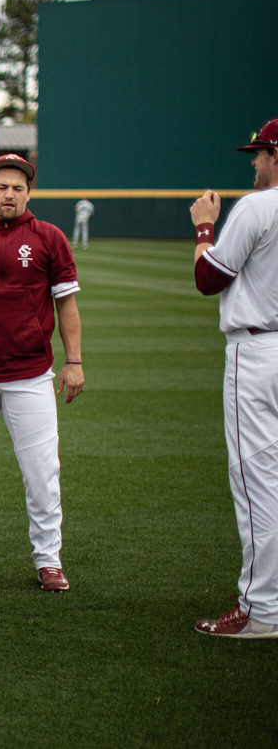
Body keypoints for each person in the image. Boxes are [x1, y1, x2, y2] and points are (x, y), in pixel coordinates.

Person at [0, 154, 83, 592]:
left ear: (28, 192)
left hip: (30, 374)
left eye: (18, 188)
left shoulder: (50, 237)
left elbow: (66, 304)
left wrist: (74, 361)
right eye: (2, 186)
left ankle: (48, 559)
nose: (10, 194)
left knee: (41, 471)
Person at [190, 118, 278, 639]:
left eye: (261, 153)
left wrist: (204, 227)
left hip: (259, 349)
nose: (255, 162)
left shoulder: (256, 206)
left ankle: (262, 608)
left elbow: (208, 279)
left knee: (256, 482)